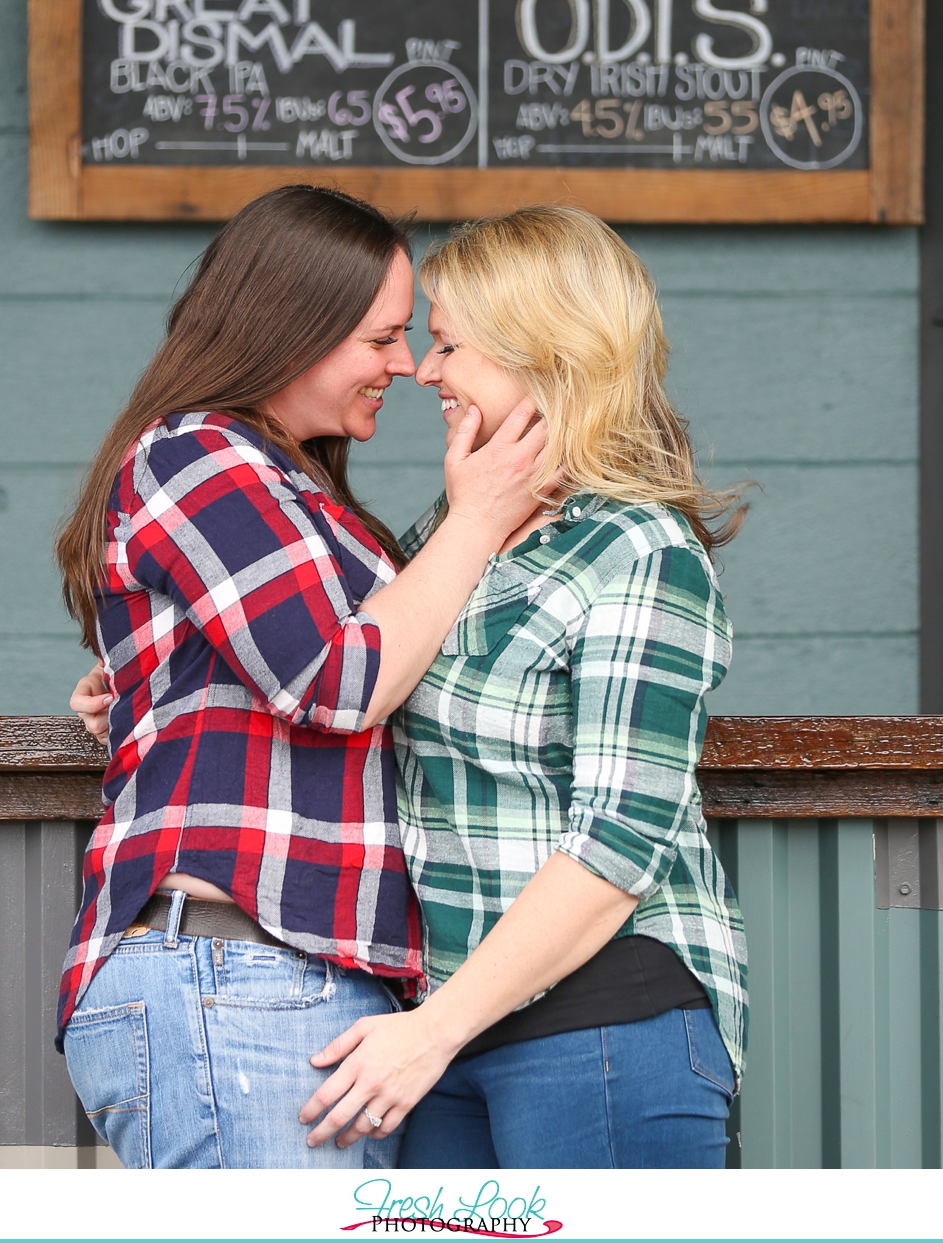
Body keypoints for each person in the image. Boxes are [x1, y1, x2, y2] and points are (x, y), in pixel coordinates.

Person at [55, 184, 547, 1170]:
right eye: (383, 338)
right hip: (236, 970)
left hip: (294, 979)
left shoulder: (304, 498)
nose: (406, 367)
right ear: (293, 330)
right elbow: (333, 678)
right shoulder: (199, 452)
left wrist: (144, 692)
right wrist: (479, 519)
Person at [296, 206, 748, 1170]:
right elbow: (344, 668)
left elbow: (618, 844)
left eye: (449, 344)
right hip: (452, 1029)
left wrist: (428, 1031)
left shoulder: (638, 549)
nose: (423, 369)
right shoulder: (447, 534)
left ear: (543, 354)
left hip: (603, 1021)